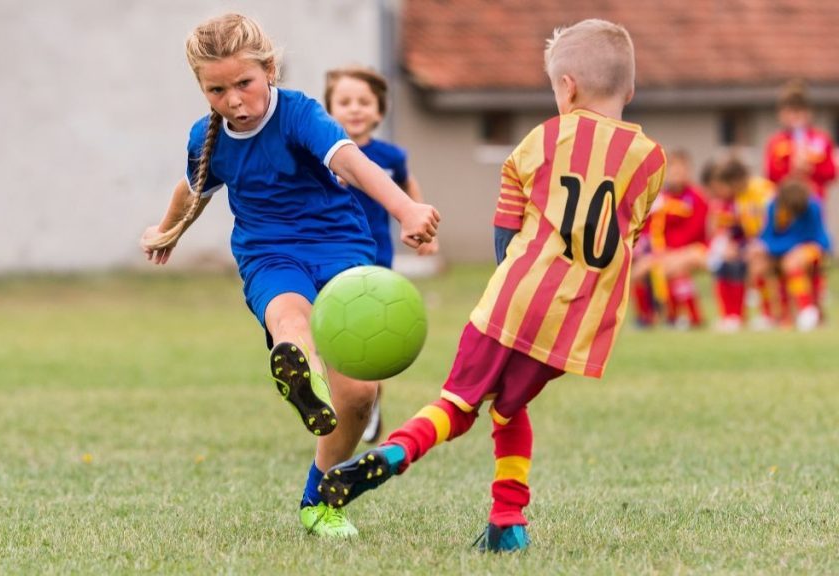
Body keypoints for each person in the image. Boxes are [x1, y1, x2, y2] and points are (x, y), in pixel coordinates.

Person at [317, 19, 666, 552]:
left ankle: (393, 452)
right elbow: (630, 234)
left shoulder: (546, 137)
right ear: (631, 89)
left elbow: (507, 222)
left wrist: (509, 275)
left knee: (457, 404)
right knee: (508, 409)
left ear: (566, 87)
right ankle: (509, 522)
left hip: (514, 300)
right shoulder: (651, 160)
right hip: (576, 321)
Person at [139, 13, 440, 538]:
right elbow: (192, 188)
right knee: (289, 316)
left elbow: (350, 161)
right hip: (268, 254)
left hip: (340, 249)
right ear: (201, 88)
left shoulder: (299, 113)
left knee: (362, 395)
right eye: (217, 90)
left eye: (244, 84)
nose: (234, 100)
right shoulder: (207, 138)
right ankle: (298, 369)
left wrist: (406, 209)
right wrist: (166, 231)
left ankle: (320, 499)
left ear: (269, 70)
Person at [323, 66, 439, 444]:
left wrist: (422, 226)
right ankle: (338, 401)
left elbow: (407, 184)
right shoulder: (321, 154)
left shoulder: (390, 156)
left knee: (371, 338)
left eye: (364, 102)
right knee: (333, 337)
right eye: (344, 102)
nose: (354, 109)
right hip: (328, 257)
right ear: (329, 110)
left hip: (376, 262)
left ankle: (369, 402)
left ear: (379, 111)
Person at [631, 149, 709, 328]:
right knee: (640, 270)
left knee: (671, 268)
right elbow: (647, 228)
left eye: (682, 171)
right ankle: (647, 317)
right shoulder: (658, 198)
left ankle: (688, 316)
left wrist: (669, 251)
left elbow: (695, 231)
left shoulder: (697, 198)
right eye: (673, 171)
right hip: (662, 252)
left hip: (694, 249)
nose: (677, 175)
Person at [748, 178, 831, 331]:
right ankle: (769, 316)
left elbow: (803, 237)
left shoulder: (812, 206)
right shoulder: (774, 206)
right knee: (758, 264)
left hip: (814, 246)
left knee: (792, 261)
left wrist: (770, 247)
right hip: (784, 250)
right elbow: (767, 235)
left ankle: (807, 311)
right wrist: (760, 245)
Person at [704, 156, 774, 330]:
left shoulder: (762, 189)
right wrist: (731, 244)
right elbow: (740, 227)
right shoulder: (739, 197)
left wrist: (760, 244)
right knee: (724, 263)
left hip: (770, 242)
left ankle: (768, 315)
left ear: (736, 180)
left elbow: (774, 221)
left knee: (756, 263)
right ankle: (732, 316)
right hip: (752, 243)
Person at [764, 80, 836, 202]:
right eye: (789, 112)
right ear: (781, 114)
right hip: (785, 202)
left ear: (809, 112)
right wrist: (791, 169)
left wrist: (812, 169)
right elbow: (770, 175)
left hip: (814, 200)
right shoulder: (776, 142)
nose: (794, 117)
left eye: (799, 111)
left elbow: (831, 173)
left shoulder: (821, 140)